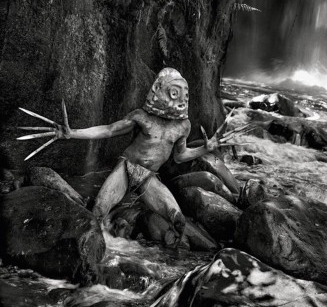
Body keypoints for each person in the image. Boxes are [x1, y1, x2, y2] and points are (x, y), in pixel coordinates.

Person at [19, 68, 243, 243]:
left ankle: (169, 260)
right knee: (97, 212)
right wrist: (71, 133)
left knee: (178, 220)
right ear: (161, 91)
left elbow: (181, 156)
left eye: (183, 94)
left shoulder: (183, 126)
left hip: (149, 178)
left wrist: (206, 148)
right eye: (174, 93)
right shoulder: (141, 117)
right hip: (126, 169)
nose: (180, 99)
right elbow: (108, 130)